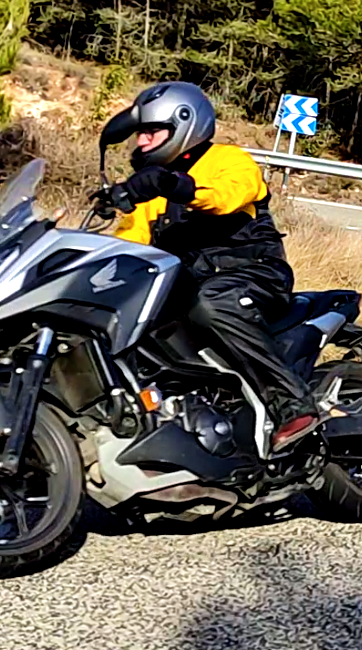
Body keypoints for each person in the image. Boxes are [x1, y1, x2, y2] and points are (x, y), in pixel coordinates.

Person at [89, 81, 322, 453]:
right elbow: (129, 245)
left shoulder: (230, 160)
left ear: (184, 125)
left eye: (152, 131)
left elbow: (226, 197)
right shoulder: (149, 193)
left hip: (254, 275)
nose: (142, 141)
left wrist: (173, 185)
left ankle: (292, 403)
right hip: (187, 288)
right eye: (139, 133)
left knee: (212, 304)